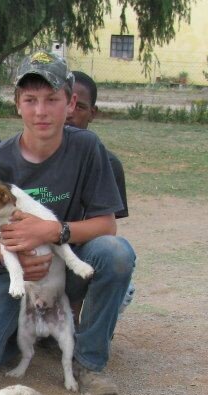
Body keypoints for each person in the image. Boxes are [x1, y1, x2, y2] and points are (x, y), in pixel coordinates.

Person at [0, 51, 135, 395]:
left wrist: (53, 231)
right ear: (17, 103)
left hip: (64, 264)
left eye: (52, 99)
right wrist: (13, 260)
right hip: (8, 274)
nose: (41, 111)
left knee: (116, 254)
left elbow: (107, 226)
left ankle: (88, 361)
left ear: (70, 101)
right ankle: (25, 335)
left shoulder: (88, 148)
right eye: (30, 100)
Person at [68, 69, 135, 313]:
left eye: (81, 107)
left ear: (93, 113)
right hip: (44, 257)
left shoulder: (109, 164)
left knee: (122, 281)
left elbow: (105, 233)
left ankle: (89, 337)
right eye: (66, 103)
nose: (71, 113)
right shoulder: (35, 156)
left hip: (81, 255)